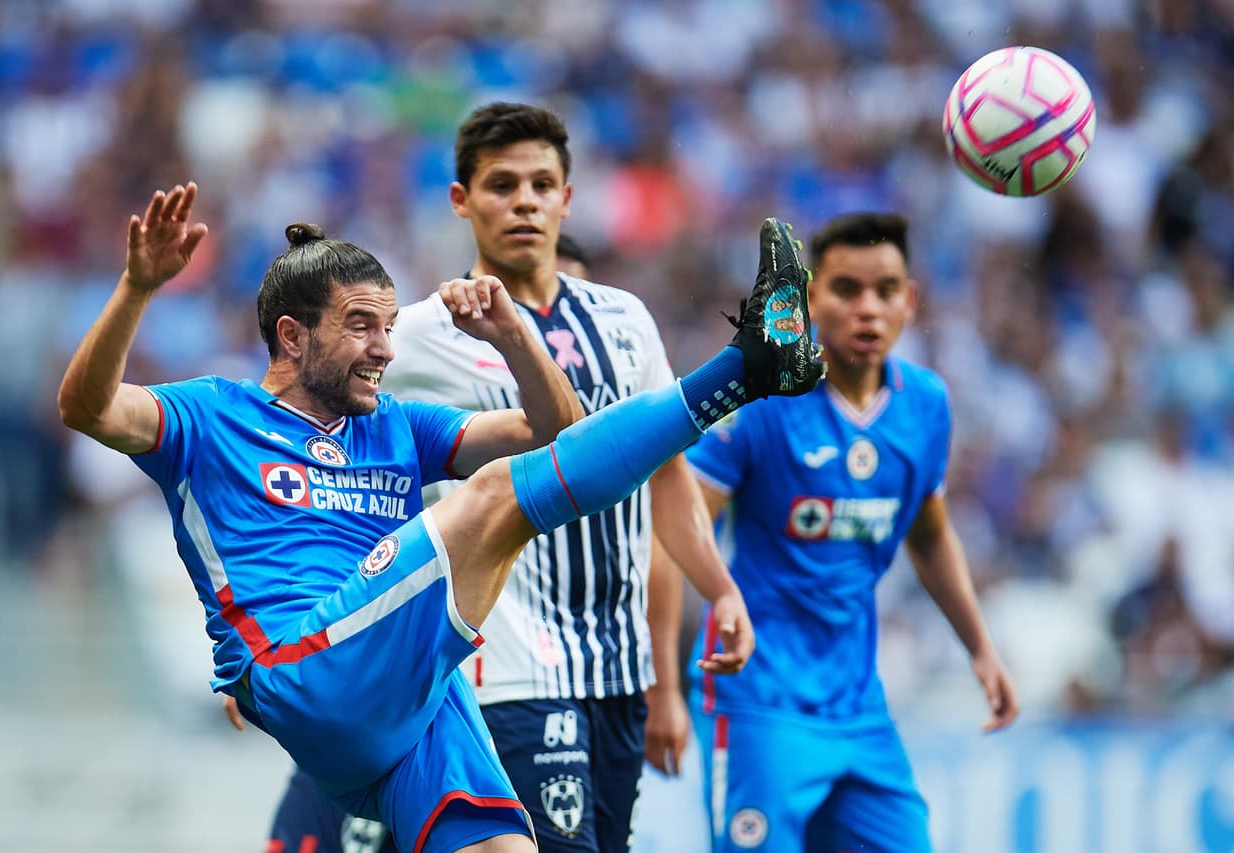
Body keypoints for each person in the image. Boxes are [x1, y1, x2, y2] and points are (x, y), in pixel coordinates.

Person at [57, 177, 825, 853]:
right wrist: (137, 287)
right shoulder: (211, 413)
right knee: (490, 497)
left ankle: (754, 364)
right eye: (362, 325)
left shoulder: (397, 425)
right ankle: (747, 367)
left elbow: (557, 436)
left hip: (404, 699)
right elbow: (87, 408)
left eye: (390, 326)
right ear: (292, 335)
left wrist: (514, 336)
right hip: (300, 667)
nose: (385, 349)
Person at [259, 101, 749, 853]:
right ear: (462, 200)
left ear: (568, 198)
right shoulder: (414, 334)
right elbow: (320, 462)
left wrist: (719, 590)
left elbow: (668, 478)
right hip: (503, 668)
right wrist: (291, 624)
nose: (524, 201)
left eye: (541, 184)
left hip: (617, 666)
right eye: (502, 185)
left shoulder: (625, 319)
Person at [684, 212, 1020, 853]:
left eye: (885, 290)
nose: (868, 309)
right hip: (760, 698)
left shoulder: (925, 403)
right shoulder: (764, 399)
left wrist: (980, 647)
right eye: (847, 289)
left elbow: (929, 536)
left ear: (910, 301)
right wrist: (674, 653)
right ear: (811, 299)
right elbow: (683, 517)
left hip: (859, 706)